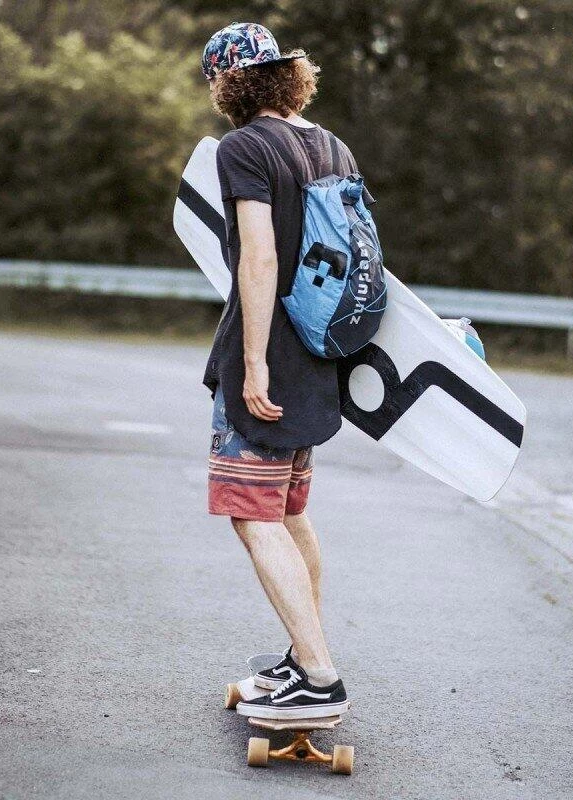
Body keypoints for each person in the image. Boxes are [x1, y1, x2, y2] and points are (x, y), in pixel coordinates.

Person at [201, 22, 365, 720]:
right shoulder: (333, 146)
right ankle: (304, 657)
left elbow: (259, 257)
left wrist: (253, 363)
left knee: (250, 512)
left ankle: (320, 676)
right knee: (290, 509)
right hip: (320, 349)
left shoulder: (242, 147)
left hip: (271, 350)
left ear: (228, 83)